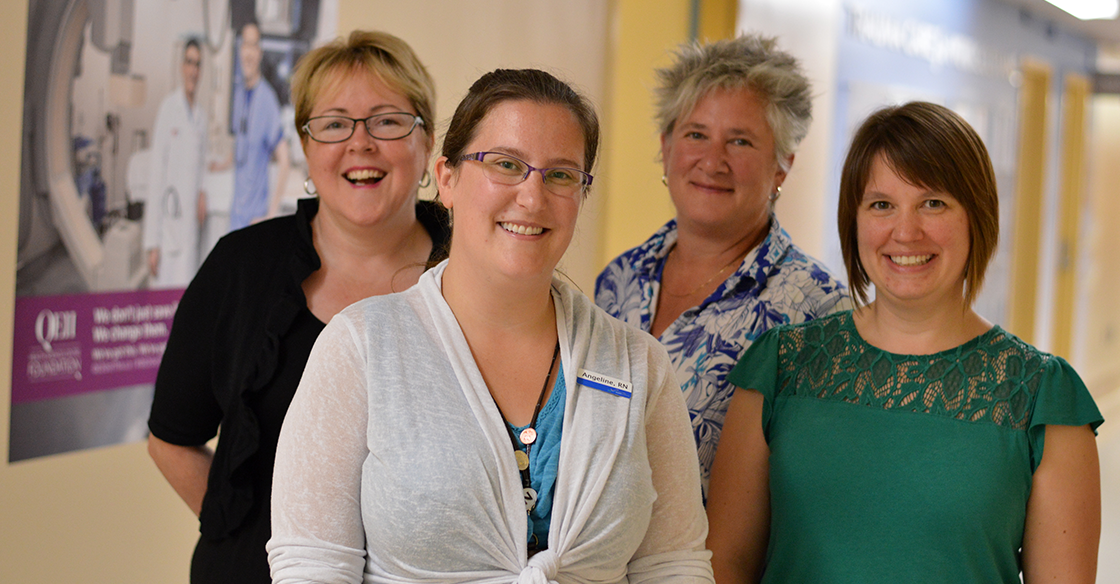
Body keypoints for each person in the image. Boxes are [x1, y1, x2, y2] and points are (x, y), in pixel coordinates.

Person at [268, 68, 714, 583]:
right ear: (449, 179)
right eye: (505, 164)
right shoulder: (361, 349)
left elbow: (673, 564)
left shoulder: (637, 364)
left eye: (561, 175)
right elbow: (313, 565)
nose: (532, 196)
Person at [706, 101, 1104, 583]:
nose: (906, 231)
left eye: (933, 203)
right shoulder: (781, 367)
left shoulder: (1041, 396)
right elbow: (725, 565)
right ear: (853, 222)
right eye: (881, 205)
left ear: (977, 216)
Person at [146, 30, 449, 584]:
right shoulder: (240, 267)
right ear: (307, 149)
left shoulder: (477, 268)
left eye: (387, 120)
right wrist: (262, 545)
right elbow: (171, 438)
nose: (361, 143)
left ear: (426, 144)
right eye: (334, 124)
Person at [595, 34, 849, 499]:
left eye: (740, 141)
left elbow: (818, 496)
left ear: (781, 167)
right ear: (666, 146)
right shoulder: (618, 281)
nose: (713, 161)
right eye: (696, 134)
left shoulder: (819, 312)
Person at [216, 20, 291, 230]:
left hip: (255, 218)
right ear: (240, 50)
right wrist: (223, 163)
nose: (248, 53)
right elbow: (242, 142)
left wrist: (270, 214)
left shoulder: (267, 100)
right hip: (236, 214)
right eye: (245, 45)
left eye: (253, 45)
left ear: (259, 52)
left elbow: (284, 161)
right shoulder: (239, 93)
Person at [145, 38, 207, 288]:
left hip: (190, 230)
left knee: (185, 302)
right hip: (168, 226)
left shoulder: (200, 117)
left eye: (198, 64)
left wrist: (203, 191)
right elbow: (156, 175)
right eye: (190, 62)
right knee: (162, 305)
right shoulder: (168, 109)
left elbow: (200, 164)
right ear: (182, 66)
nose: (193, 70)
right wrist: (152, 243)